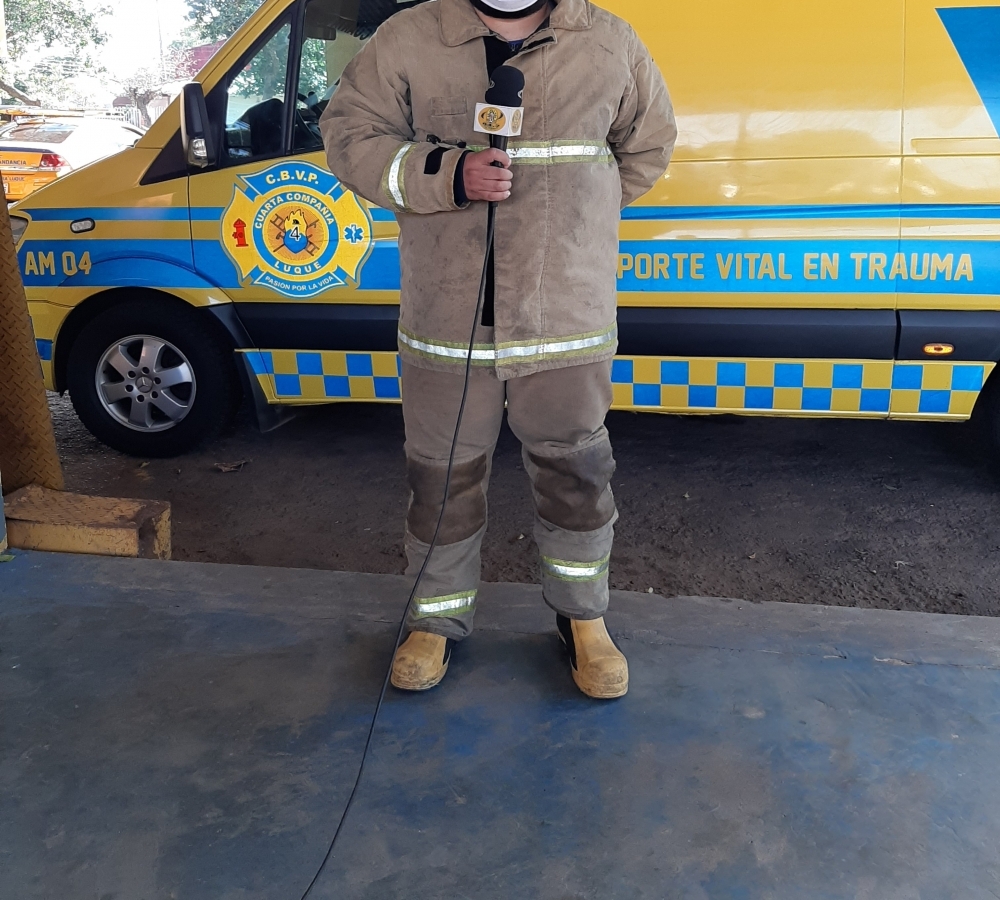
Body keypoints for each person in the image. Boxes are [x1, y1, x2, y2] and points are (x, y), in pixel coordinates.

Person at [321, 0, 676, 699]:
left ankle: (584, 619)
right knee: (441, 478)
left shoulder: (608, 42)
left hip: (562, 311)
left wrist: (574, 218)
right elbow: (350, 135)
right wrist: (447, 176)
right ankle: (435, 619)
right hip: (448, 314)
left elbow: (647, 147)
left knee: (577, 472)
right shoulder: (410, 38)